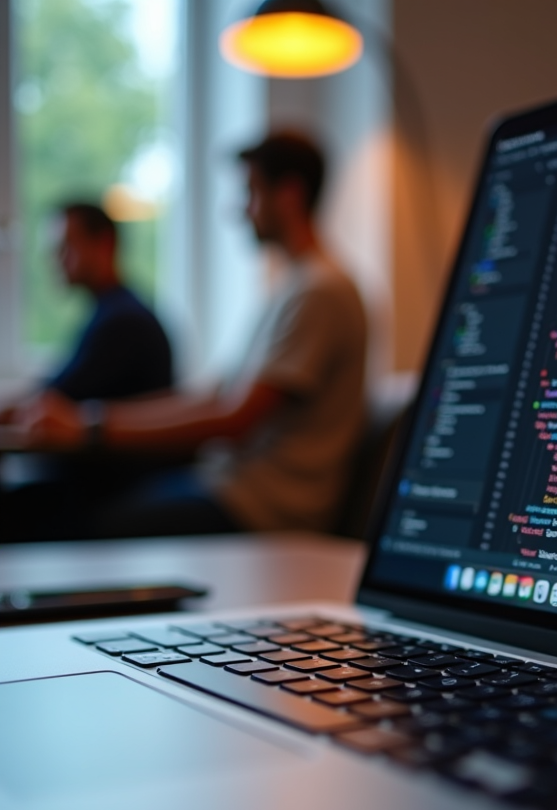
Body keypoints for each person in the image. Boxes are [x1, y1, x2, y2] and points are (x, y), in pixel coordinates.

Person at [7, 131, 367, 541]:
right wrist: (92, 421)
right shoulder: (291, 287)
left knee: (88, 526)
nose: (239, 209)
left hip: (262, 506)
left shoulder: (319, 292)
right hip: (228, 487)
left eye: (250, 192)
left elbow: (236, 419)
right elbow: (213, 396)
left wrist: (90, 428)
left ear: (289, 194)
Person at [1, 202, 173, 421]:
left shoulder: (122, 323)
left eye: (65, 247)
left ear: (104, 243)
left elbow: (55, 399)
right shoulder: (111, 311)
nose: (56, 259)